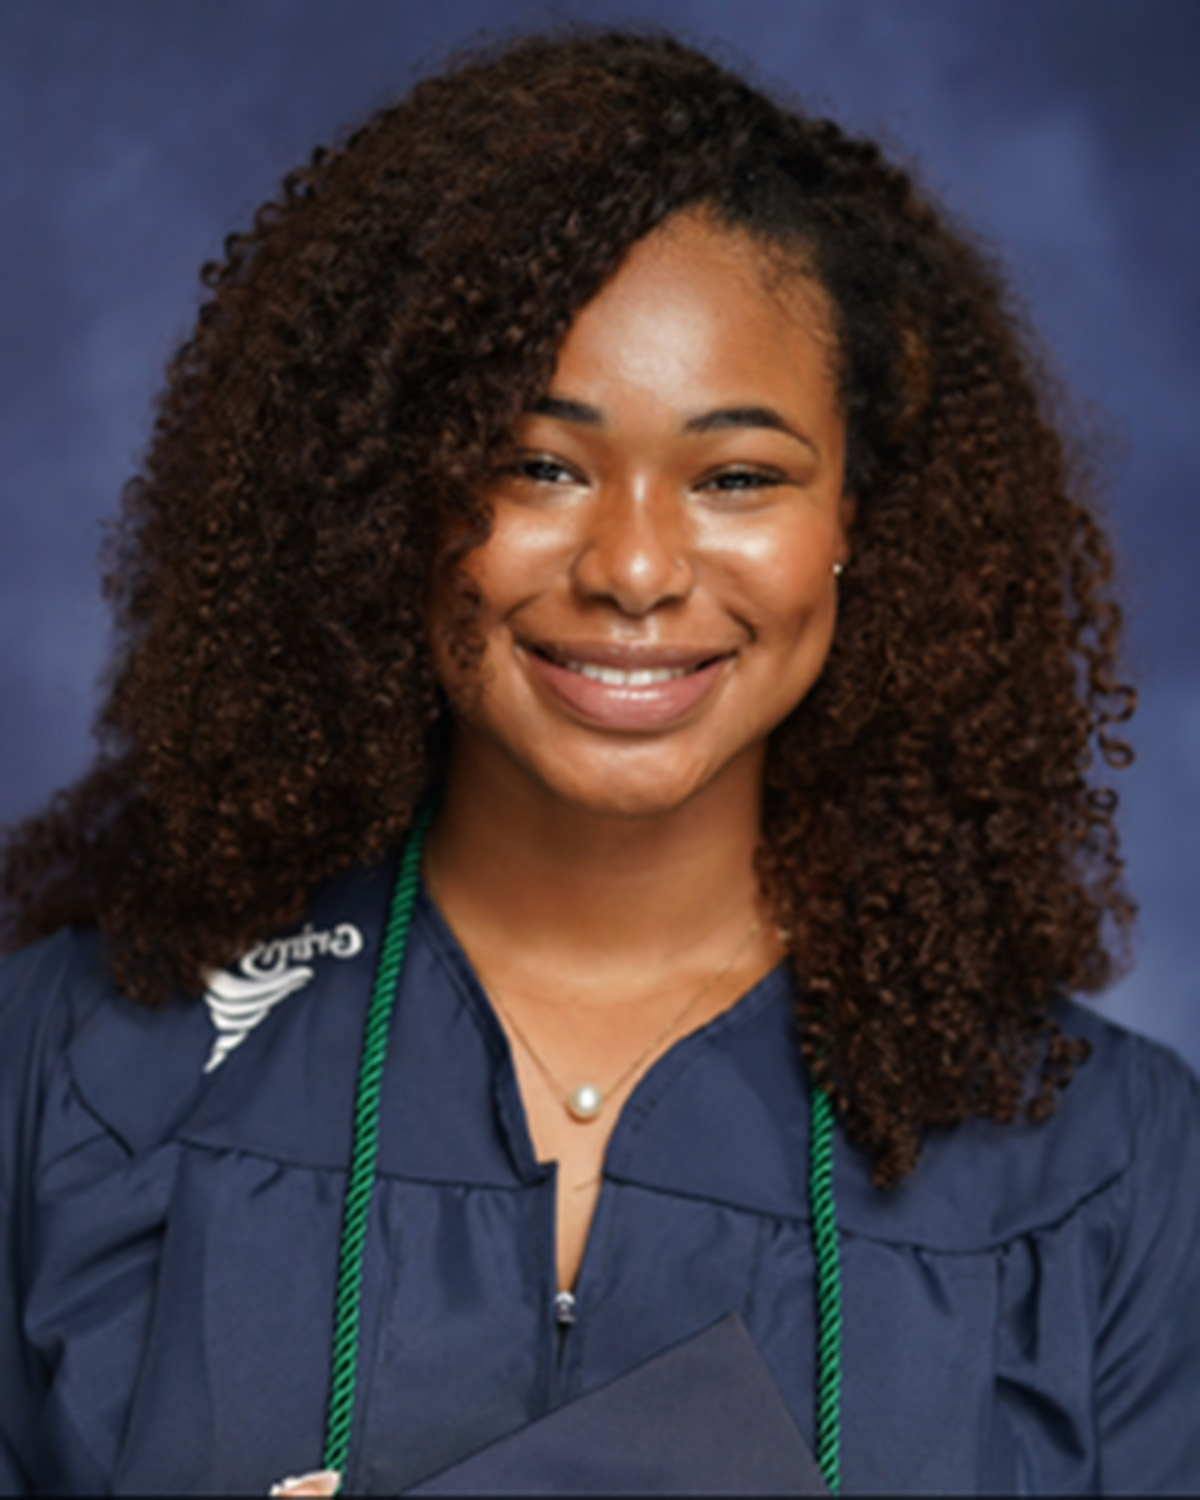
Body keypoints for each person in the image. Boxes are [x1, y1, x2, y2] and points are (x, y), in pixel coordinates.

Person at [2, 27, 1198, 1497]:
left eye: (739, 477)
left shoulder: (1103, 1169)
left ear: (858, 523)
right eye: (539, 464)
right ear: (388, 494)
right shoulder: (74, 1073)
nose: (634, 568)